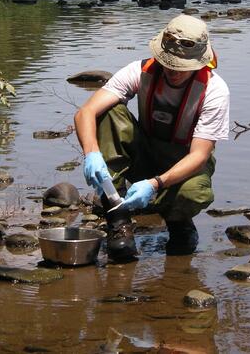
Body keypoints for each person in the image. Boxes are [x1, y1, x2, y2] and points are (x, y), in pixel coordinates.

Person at [74, 14, 230, 260]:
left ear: (199, 62)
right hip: (144, 155)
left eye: (181, 67)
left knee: (195, 193)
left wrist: (155, 184)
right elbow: (86, 112)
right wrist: (91, 153)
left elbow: (200, 155)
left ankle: (179, 224)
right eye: (169, 63)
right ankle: (118, 221)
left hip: (184, 164)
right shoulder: (139, 70)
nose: (173, 71)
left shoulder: (214, 91)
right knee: (109, 113)